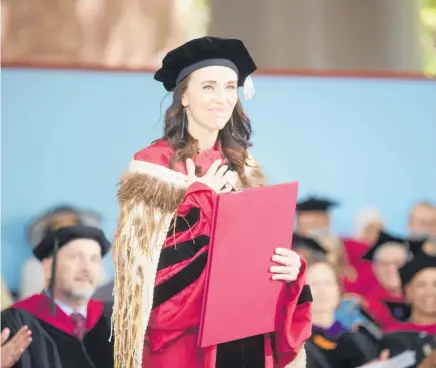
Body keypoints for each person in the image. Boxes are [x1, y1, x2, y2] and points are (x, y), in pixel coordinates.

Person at [111, 36, 312, 368]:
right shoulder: (152, 166)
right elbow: (142, 273)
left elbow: (257, 254)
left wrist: (289, 267)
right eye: (208, 87)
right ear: (184, 96)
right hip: (184, 343)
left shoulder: (246, 167)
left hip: (245, 334)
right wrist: (197, 197)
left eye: (230, 87)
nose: (222, 98)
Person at [1, 210, 114, 368]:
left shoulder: (114, 319)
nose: (86, 268)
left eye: (94, 259)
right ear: (48, 267)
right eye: (75, 257)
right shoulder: (15, 321)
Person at [380, 250, 436, 368]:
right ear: (408, 292)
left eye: (435, 284)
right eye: (421, 285)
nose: (430, 292)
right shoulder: (392, 336)